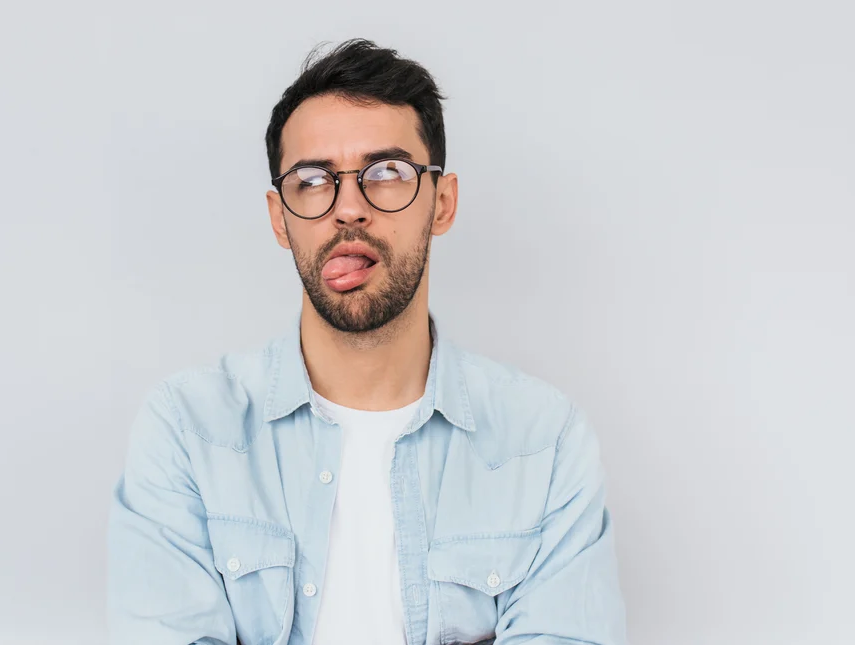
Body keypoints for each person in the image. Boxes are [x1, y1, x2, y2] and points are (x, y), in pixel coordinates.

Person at [107, 38, 627, 645]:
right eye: (312, 179)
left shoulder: (544, 442)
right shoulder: (188, 431)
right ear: (280, 218)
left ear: (443, 202)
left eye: (386, 173)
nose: (348, 208)